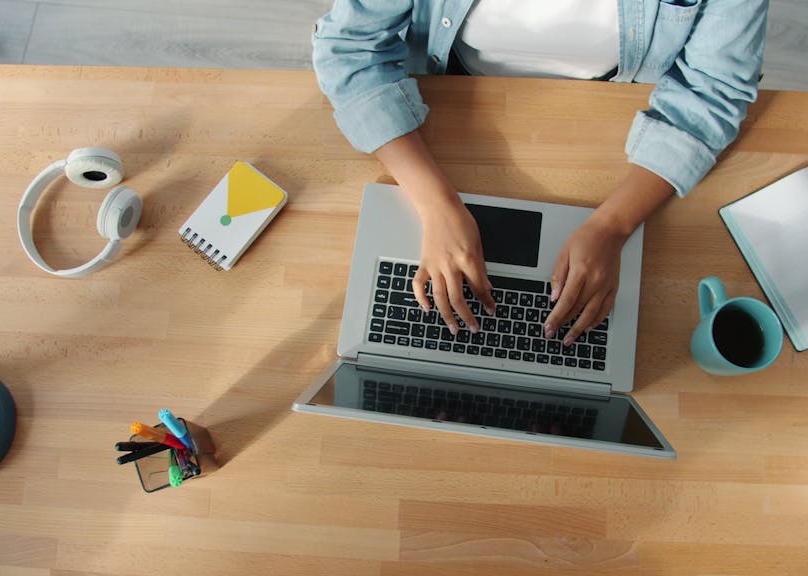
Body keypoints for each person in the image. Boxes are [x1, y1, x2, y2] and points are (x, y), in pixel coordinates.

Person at [312, 0, 768, 348]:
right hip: (449, 97)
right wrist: (434, 203)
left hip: (614, 111)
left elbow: (714, 89)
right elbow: (349, 49)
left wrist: (613, 226)